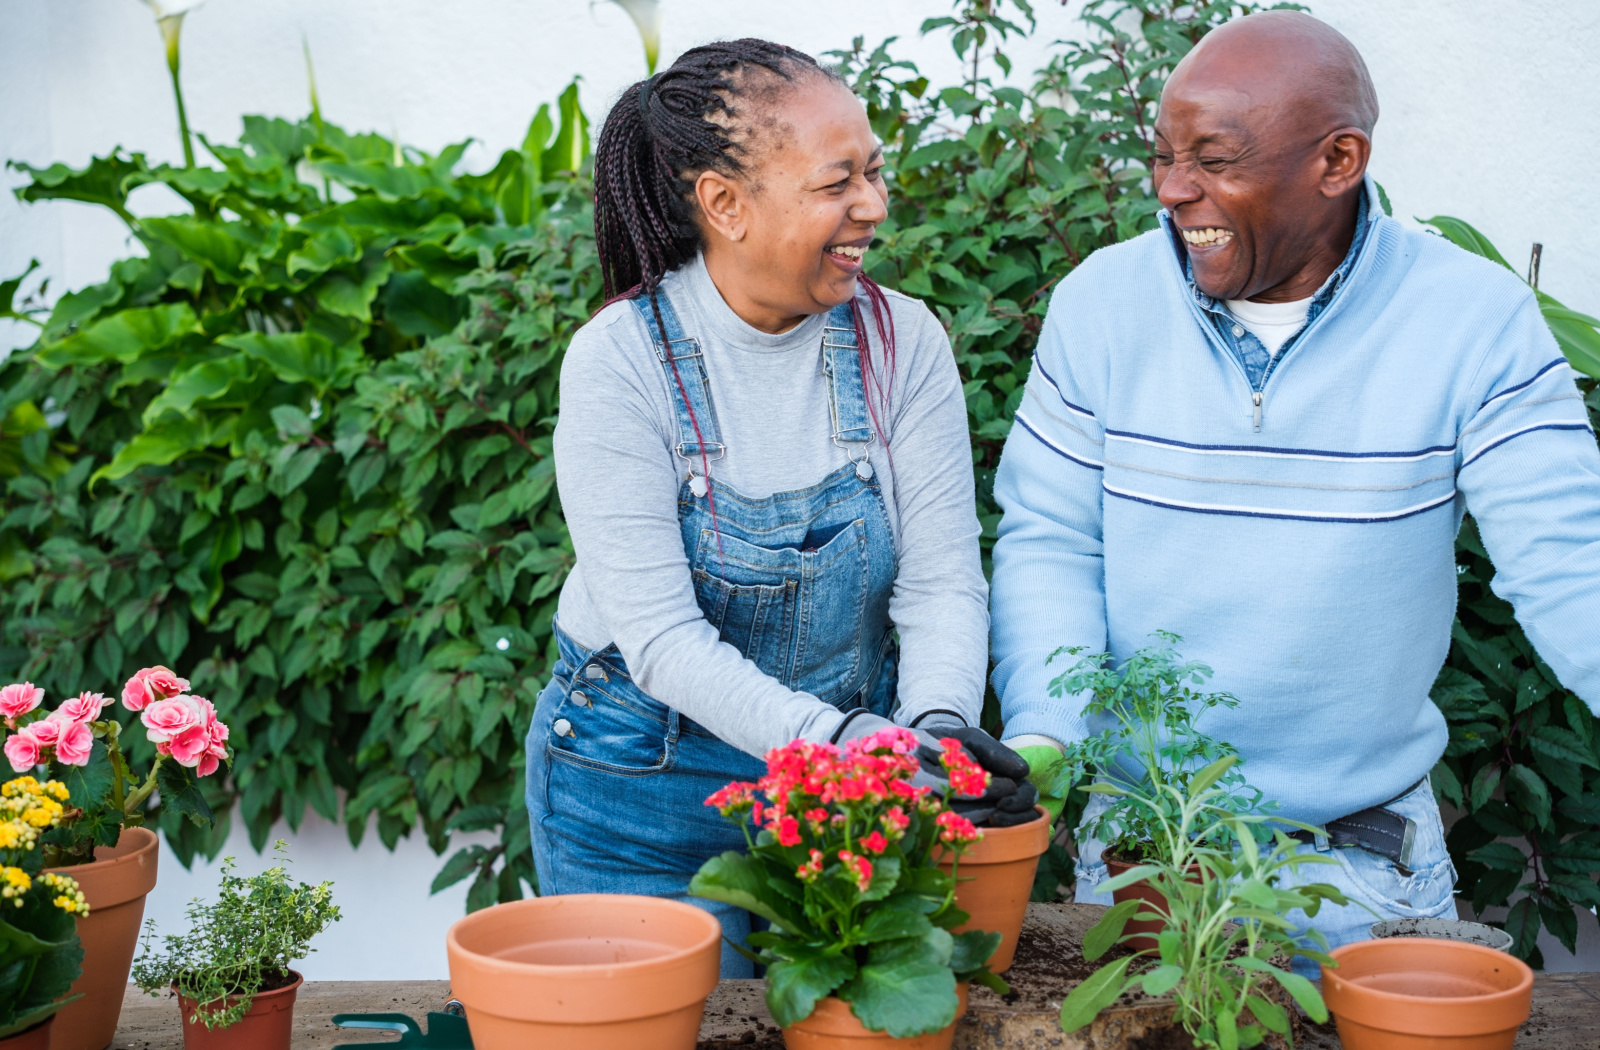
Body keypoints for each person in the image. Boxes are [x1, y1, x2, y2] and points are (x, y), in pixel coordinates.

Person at [989, 10, 1600, 966]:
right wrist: (1045, 731)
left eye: (1214, 159)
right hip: (1147, 858)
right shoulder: (1102, 304)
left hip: (1364, 871)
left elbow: (1571, 562)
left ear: (1339, 159)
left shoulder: (1472, 319)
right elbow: (1053, 538)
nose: (1173, 191)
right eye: (1163, 156)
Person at [526, 39, 1033, 976]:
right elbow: (664, 642)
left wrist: (934, 735)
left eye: (875, 172)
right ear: (724, 203)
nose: (874, 207)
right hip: (645, 784)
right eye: (838, 182)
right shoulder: (622, 362)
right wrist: (846, 746)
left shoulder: (901, 342)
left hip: (849, 788)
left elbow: (942, 584)